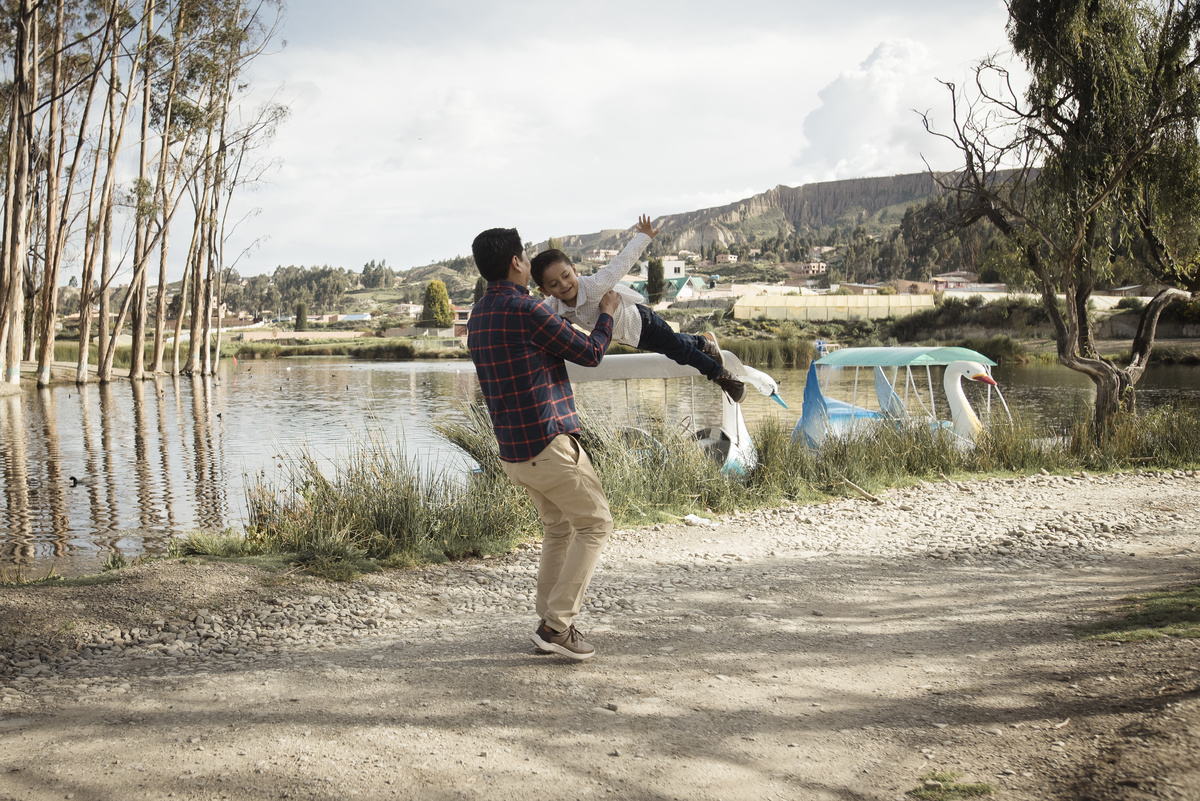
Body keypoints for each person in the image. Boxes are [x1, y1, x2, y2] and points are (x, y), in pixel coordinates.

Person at [467, 227, 621, 661]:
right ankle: (557, 625)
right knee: (595, 524)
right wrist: (607, 311)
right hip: (548, 443)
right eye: (525, 257)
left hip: (514, 451)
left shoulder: (480, 314)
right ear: (517, 263)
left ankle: (547, 622)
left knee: (558, 527)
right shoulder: (526, 310)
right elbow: (590, 352)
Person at [530, 215, 746, 402]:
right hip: (630, 338)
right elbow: (535, 316)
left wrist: (644, 236)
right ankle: (704, 341)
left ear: (574, 270)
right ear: (545, 290)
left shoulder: (595, 285)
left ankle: (722, 376)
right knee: (672, 345)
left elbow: (621, 263)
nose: (564, 285)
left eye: (566, 276)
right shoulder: (553, 307)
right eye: (554, 284)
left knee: (679, 352)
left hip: (643, 321)